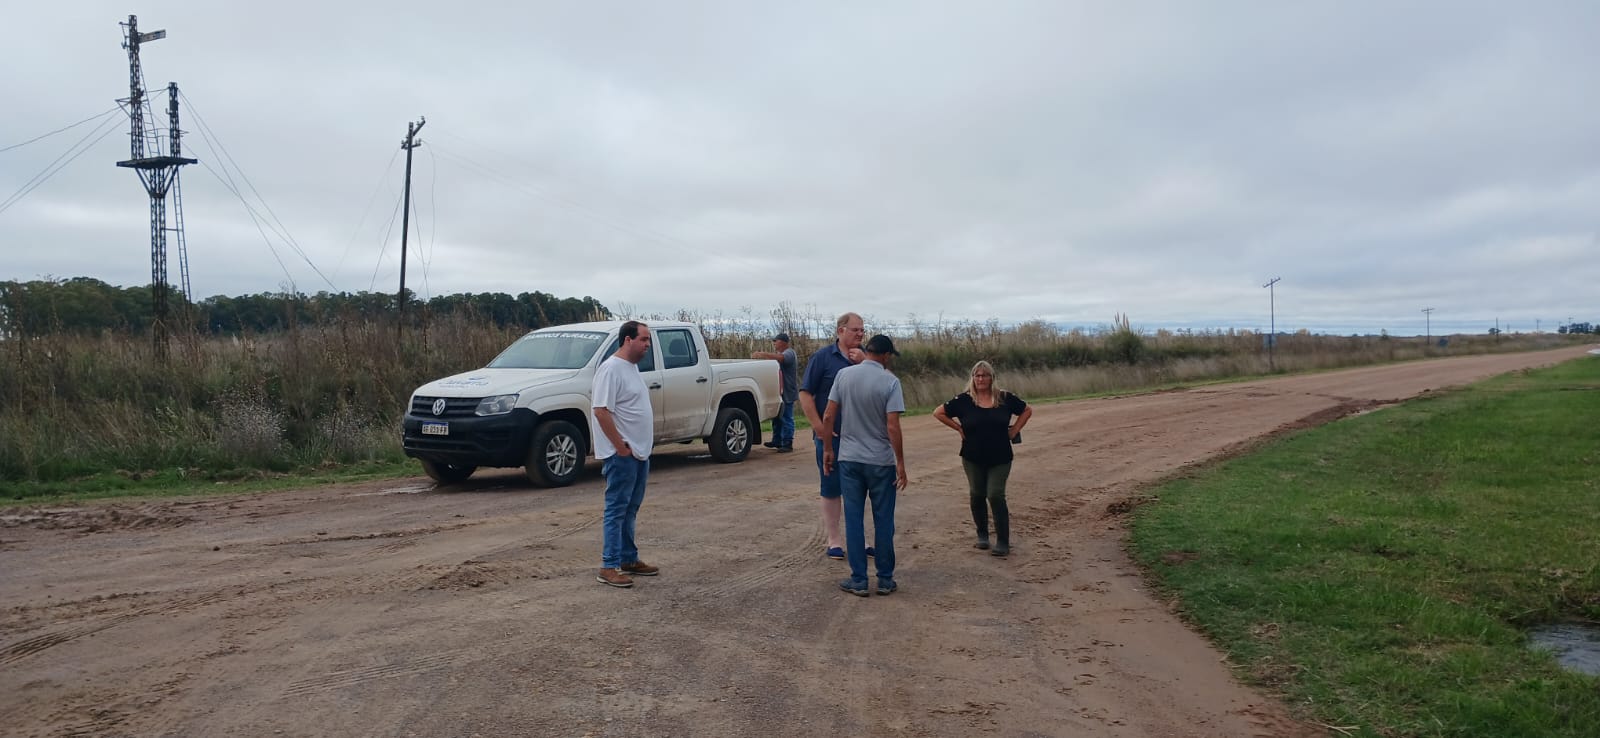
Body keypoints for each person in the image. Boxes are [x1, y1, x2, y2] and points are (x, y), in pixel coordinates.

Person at [822, 334, 908, 596]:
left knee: (854, 519)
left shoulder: (844, 376)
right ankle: (885, 579)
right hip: (880, 461)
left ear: (867, 350)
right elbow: (892, 426)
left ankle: (859, 579)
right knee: (884, 520)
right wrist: (900, 462)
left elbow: (828, 415)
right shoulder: (890, 381)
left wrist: (828, 448)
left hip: (850, 458)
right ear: (886, 355)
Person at [932, 360, 1032, 556]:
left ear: (991, 377)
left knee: (995, 494)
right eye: (977, 375)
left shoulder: (1004, 398)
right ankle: (982, 535)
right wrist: (958, 428)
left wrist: (1015, 430)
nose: (980, 379)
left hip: (1000, 456)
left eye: (984, 375)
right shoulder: (964, 400)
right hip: (972, 456)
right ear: (972, 378)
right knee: (977, 494)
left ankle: (1003, 541)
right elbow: (938, 412)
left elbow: (1027, 410)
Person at [591, 320, 659, 588]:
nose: (647, 345)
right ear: (628, 339)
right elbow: (600, 410)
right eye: (644, 339)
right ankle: (608, 565)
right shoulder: (611, 369)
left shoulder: (631, 368)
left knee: (631, 508)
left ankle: (628, 558)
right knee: (617, 509)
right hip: (623, 454)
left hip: (639, 453)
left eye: (648, 340)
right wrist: (620, 447)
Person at [799, 312, 866, 559]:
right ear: (840, 331)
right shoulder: (822, 358)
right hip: (832, 436)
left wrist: (864, 363)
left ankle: (859, 539)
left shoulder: (867, 357)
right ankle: (834, 540)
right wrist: (819, 427)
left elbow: (884, 383)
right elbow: (805, 394)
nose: (860, 334)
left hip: (861, 435)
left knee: (859, 488)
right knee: (831, 486)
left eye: (862, 330)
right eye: (855, 330)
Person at [751, 332, 797, 452]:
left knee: (786, 417)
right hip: (779, 391)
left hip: (787, 391)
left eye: (776, 341)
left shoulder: (789, 353)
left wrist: (763, 354)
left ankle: (788, 443)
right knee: (777, 417)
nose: (774, 343)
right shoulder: (779, 354)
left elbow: (781, 359)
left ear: (783, 342)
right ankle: (777, 440)